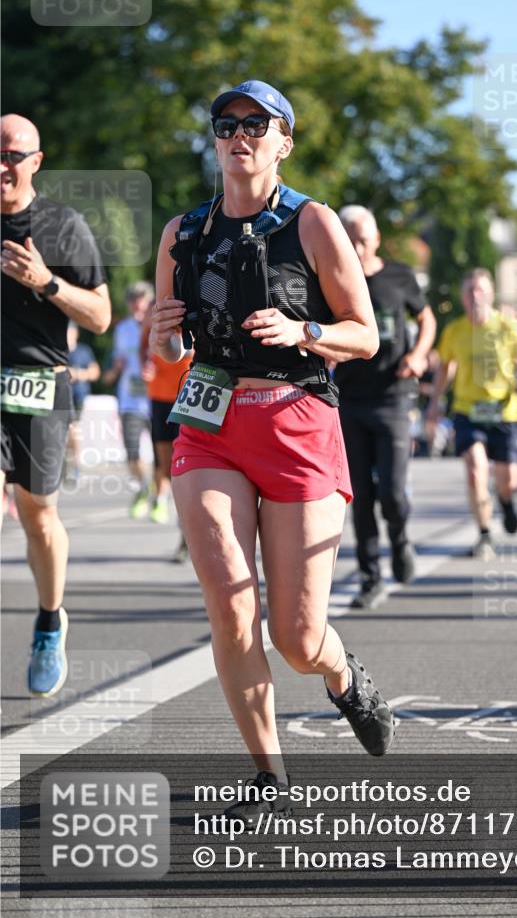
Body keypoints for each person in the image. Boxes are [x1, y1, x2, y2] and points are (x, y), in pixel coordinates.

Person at [149, 79, 395, 820]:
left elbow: (365, 332)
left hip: (296, 422)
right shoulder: (182, 234)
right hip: (210, 423)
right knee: (229, 602)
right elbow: (166, 347)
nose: (239, 134)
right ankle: (268, 776)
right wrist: (164, 333)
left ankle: (341, 675)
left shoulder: (313, 223)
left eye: (258, 123)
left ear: (284, 141)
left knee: (295, 637)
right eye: (226, 123)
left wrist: (305, 333)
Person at [0, 113, 110, 695]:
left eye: (13, 154)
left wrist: (46, 282)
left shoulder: (63, 225)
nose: (2, 165)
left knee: (38, 516)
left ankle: (49, 619)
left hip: (39, 383)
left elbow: (100, 314)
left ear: (36, 161)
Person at [334, 205, 436, 609]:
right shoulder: (333, 280)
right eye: (349, 239)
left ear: (375, 239)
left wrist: (420, 355)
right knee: (360, 496)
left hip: (393, 395)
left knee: (392, 492)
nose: (357, 248)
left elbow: (426, 320)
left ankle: (400, 538)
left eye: (363, 238)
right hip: (349, 397)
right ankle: (369, 577)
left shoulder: (399, 276)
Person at [426, 268, 517, 560]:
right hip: (467, 410)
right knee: (476, 469)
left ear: (491, 294)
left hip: (504, 412)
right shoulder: (455, 331)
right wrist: (435, 402)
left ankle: (507, 499)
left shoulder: (507, 327)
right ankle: (485, 533)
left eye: (481, 290)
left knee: (507, 478)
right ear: (463, 297)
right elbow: (444, 369)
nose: (475, 296)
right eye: (469, 291)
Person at [140, 302, 193, 557]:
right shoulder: (155, 309)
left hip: (188, 397)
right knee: (167, 468)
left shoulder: (193, 303)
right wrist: (145, 365)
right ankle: (184, 523)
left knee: (187, 469)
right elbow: (144, 344)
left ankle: (187, 534)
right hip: (159, 396)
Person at [103, 282, 154, 517]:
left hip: (158, 399)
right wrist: (115, 368)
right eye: (133, 300)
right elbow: (116, 364)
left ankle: (160, 495)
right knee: (132, 453)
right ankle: (144, 487)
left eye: (141, 299)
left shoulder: (159, 326)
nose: (136, 304)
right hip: (130, 400)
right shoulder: (122, 329)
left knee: (163, 456)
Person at [65, 320, 101, 482]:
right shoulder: (58, 350)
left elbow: (95, 372)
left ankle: (77, 466)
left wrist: (78, 374)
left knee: (73, 429)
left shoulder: (83, 351)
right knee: (62, 432)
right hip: (60, 396)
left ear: (75, 333)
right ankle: (66, 465)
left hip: (78, 396)